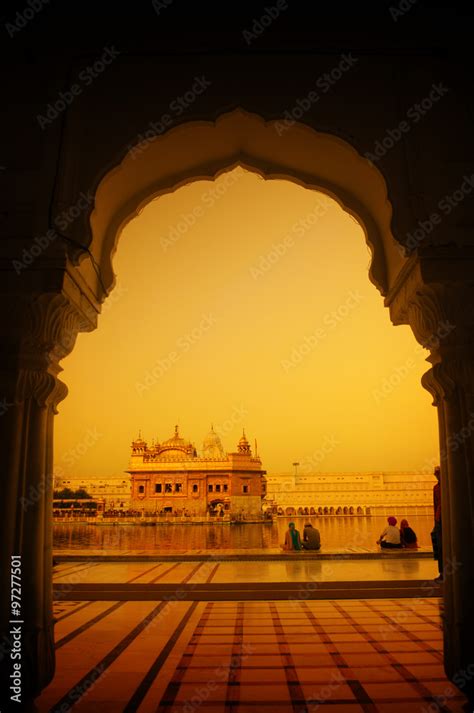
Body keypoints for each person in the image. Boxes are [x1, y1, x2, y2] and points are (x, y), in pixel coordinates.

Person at [431, 465, 443, 582]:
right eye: (436, 474)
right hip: (439, 519)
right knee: (440, 548)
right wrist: (435, 520)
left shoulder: (449, 487)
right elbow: (435, 505)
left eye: (438, 473)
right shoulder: (436, 488)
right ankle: (442, 572)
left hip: (446, 519)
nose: (437, 475)